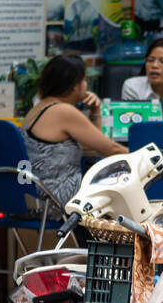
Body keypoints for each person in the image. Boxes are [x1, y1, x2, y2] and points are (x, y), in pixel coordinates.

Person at [22, 52, 126, 215]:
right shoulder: (63, 111)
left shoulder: (40, 107)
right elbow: (110, 148)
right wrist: (146, 158)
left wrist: (95, 111)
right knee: (121, 188)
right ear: (74, 85)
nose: (86, 84)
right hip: (56, 199)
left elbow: (92, 144)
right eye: (84, 80)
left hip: (35, 198)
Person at [122, 36, 163, 116]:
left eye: (162, 61)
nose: (154, 65)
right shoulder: (133, 87)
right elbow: (131, 122)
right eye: (150, 60)